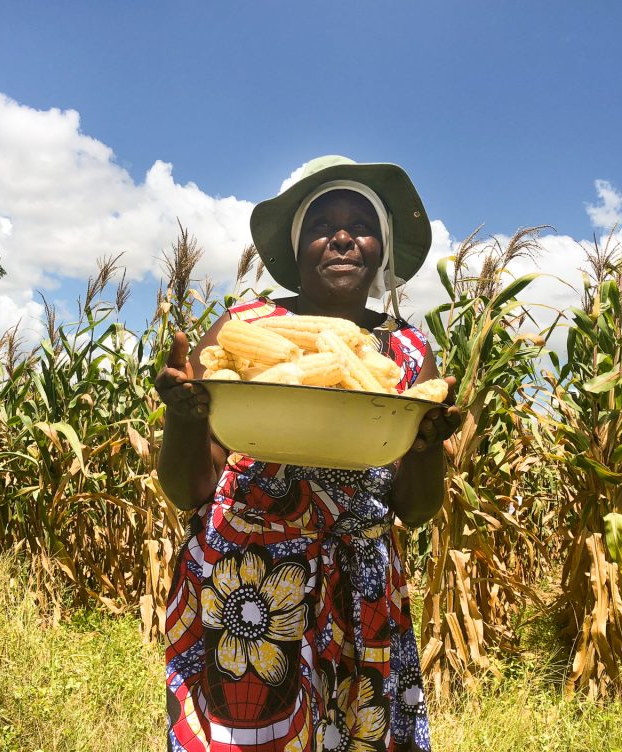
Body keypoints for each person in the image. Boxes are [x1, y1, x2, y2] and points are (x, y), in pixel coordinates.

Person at [156, 155, 461, 751]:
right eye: (323, 223)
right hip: (249, 586)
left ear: (381, 250)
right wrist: (184, 417)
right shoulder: (241, 328)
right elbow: (186, 489)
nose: (343, 236)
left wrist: (425, 448)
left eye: (361, 225)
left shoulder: (407, 353)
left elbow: (416, 509)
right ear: (297, 249)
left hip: (362, 586)